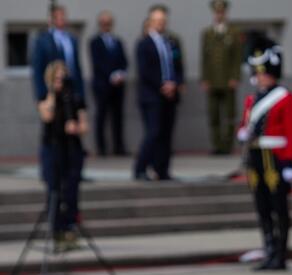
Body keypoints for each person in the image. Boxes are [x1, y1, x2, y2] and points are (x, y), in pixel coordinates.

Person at [237, 36, 292, 271]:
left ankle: (281, 253)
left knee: (278, 206)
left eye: (262, 73)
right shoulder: (252, 99)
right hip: (256, 156)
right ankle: (269, 249)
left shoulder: (285, 98)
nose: (259, 77)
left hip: (275, 158)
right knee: (262, 205)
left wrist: (290, 162)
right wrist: (243, 132)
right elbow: (245, 123)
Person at [37, 60, 88, 251]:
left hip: (71, 148)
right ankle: (56, 231)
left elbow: (84, 124)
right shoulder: (45, 96)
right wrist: (52, 92)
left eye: (62, 77)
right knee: (54, 188)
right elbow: (47, 116)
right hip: (52, 147)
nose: (60, 81)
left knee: (72, 189)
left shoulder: (73, 97)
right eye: (56, 77)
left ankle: (70, 229)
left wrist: (76, 127)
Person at [134, 4, 184, 181]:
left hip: (170, 96)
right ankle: (140, 168)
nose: (160, 23)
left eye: (163, 20)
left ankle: (162, 169)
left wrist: (175, 84)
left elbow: (178, 67)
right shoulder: (144, 44)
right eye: (157, 20)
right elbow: (145, 71)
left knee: (166, 135)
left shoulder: (171, 42)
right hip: (152, 95)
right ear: (151, 22)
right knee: (153, 133)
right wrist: (163, 85)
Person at [200, 0, 242, 155]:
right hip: (212, 80)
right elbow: (204, 58)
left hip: (227, 80)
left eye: (221, 12)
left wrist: (235, 77)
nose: (219, 15)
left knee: (230, 114)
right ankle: (217, 145)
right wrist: (204, 79)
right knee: (214, 114)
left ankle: (227, 145)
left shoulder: (233, 32)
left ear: (225, 13)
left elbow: (237, 58)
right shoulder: (208, 33)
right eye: (217, 12)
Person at [89, 11, 128, 156]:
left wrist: (120, 74)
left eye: (109, 23)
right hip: (102, 85)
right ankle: (101, 148)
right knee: (102, 116)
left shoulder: (117, 41)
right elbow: (97, 63)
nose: (106, 26)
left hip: (118, 86)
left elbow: (124, 61)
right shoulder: (95, 42)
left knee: (118, 117)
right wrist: (111, 75)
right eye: (104, 23)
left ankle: (119, 147)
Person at [32, 3, 85, 102]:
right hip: (52, 90)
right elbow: (38, 68)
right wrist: (42, 94)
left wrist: (81, 92)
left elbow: (77, 66)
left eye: (63, 16)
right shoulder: (43, 40)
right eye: (59, 16)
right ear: (52, 19)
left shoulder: (71, 39)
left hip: (71, 89)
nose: (62, 19)